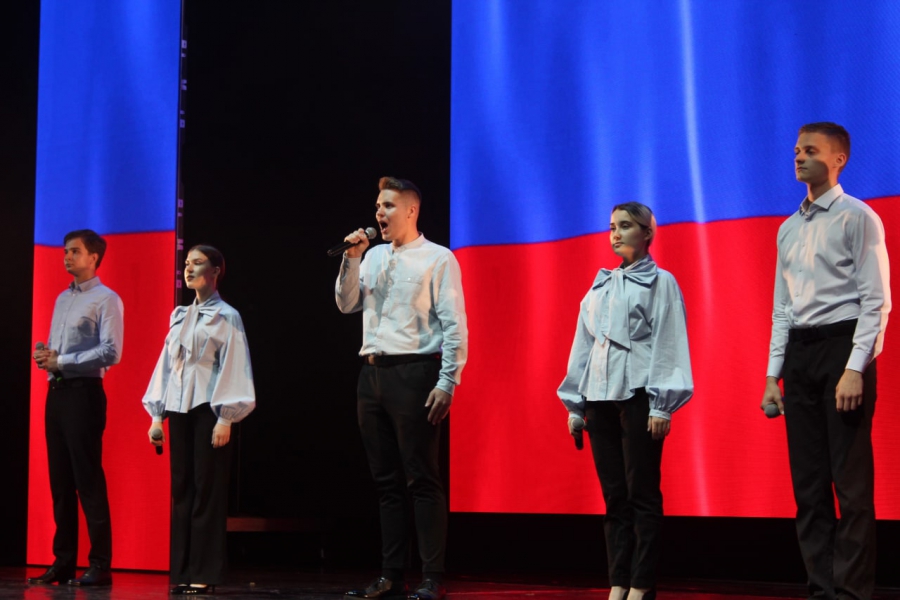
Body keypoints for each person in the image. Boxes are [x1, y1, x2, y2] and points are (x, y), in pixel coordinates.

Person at [761, 122, 890, 600]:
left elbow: (876, 301)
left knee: (850, 485)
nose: (798, 157)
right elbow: (782, 308)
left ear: (838, 160)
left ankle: (852, 593)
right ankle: (820, 590)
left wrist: (855, 368)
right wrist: (772, 375)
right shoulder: (787, 229)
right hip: (800, 353)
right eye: (797, 150)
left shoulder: (858, 217)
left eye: (810, 150)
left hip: (842, 348)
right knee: (809, 486)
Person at [336, 177, 468, 600]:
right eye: (378, 205)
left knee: (421, 477)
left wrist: (448, 381)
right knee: (385, 481)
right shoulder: (373, 256)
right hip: (372, 375)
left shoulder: (439, 257)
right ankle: (391, 575)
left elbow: (454, 324)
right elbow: (346, 303)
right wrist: (351, 259)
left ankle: (432, 577)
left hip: (414, 373)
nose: (379, 212)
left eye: (388, 205)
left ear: (411, 210)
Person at [558, 202, 693, 600]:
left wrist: (662, 403)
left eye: (626, 225)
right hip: (598, 398)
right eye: (612, 226)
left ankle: (641, 584)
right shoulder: (599, 286)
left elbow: (669, 340)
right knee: (614, 496)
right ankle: (618, 581)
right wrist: (574, 404)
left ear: (647, 233)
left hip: (638, 397)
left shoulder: (661, 282)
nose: (615, 233)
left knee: (642, 493)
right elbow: (583, 346)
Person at [142, 245, 256, 595]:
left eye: (197, 263)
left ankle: (204, 571)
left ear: (216, 270)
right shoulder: (179, 315)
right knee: (182, 490)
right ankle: (182, 570)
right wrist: (157, 415)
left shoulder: (227, 316)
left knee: (207, 490)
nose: (188, 269)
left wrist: (226, 418)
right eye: (187, 263)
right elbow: (167, 365)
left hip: (209, 409)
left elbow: (235, 365)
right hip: (179, 409)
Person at [29, 229, 124, 587]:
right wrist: (46, 355)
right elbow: (59, 351)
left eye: (74, 251)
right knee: (60, 482)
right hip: (57, 393)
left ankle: (100, 564)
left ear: (93, 257)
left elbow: (112, 352)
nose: (67, 257)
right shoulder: (61, 298)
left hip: (84, 394)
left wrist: (63, 361)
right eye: (65, 251)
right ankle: (63, 561)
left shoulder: (106, 299)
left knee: (88, 480)